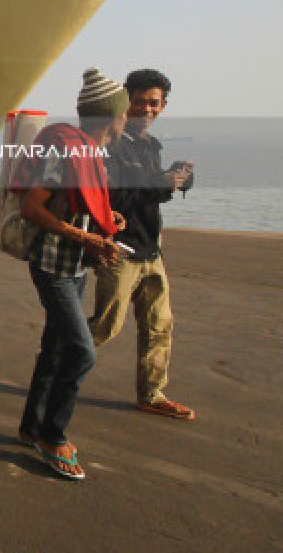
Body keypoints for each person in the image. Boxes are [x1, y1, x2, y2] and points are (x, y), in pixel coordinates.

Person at [15, 67, 128, 482]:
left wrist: (105, 220)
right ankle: (53, 435)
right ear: (108, 117)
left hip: (76, 267)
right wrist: (85, 237)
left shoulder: (90, 153)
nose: (125, 121)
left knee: (55, 348)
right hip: (53, 267)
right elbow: (32, 207)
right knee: (82, 352)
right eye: (122, 114)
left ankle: (31, 427)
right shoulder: (67, 150)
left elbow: (75, 204)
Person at [90, 69, 196, 420]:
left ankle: (151, 393)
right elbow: (116, 196)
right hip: (119, 250)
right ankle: (56, 370)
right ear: (126, 102)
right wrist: (163, 184)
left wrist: (181, 179)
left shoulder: (150, 146)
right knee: (106, 326)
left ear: (163, 106)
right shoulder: (111, 143)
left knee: (159, 325)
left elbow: (150, 189)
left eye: (154, 103)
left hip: (152, 248)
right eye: (139, 103)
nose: (146, 110)